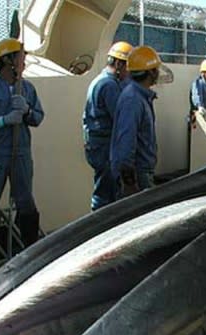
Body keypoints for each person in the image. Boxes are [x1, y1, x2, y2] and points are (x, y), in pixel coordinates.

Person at [0, 38, 44, 247]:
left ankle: (30, 248)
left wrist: (28, 111)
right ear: (7, 60)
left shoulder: (27, 88)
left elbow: (38, 117)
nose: (24, 63)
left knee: (25, 202)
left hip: (21, 152)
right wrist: (3, 121)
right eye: (21, 59)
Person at [83, 41, 132, 210]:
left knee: (106, 190)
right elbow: (120, 116)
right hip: (104, 146)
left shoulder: (104, 81)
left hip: (98, 144)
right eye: (128, 67)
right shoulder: (109, 85)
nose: (129, 73)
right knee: (105, 194)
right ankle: (99, 229)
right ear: (118, 64)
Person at [111, 46, 164, 196]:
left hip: (141, 174)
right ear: (151, 72)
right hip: (137, 177)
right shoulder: (133, 100)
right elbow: (125, 144)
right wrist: (129, 183)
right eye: (156, 69)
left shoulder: (139, 96)